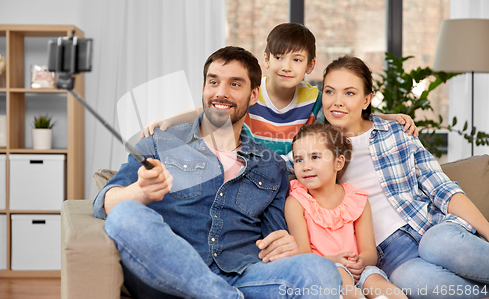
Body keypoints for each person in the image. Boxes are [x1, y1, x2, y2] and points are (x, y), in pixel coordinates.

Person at [93, 46, 342, 299]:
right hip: (172, 276)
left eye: (235, 84)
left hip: (245, 277)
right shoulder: (160, 143)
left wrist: (284, 246)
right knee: (125, 213)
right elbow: (103, 205)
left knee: (320, 271)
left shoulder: (271, 166)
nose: (221, 93)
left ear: (253, 95)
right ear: (203, 88)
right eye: (213, 82)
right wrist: (140, 191)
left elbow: (274, 239)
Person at [320, 55, 489, 299]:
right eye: (329, 92)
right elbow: (275, 166)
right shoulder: (315, 151)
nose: (337, 102)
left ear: (367, 99)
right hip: (391, 258)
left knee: (436, 243)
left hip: (432, 229)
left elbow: (442, 189)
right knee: (407, 279)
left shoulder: (397, 132)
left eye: (349, 93)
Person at [140, 23, 417, 160]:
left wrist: (388, 117)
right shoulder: (251, 92)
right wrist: (168, 121)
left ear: (310, 66)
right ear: (267, 60)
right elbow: (210, 109)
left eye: (296, 60)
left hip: (294, 170)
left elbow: (344, 110)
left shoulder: (313, 97)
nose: (287, 67)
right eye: (280, 58)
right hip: (254, 164)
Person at [285, 123, 408, 299]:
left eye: (315, 157)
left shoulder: (357, 201)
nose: (305, 166)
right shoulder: (296, 202)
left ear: (338, 162)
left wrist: (361, 261)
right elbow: (303, 257)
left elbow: (369, 252)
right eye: (299, 159)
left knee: (378, 283)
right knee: (341, 275)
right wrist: (336, 260)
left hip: (360, 271)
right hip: (324, 270)